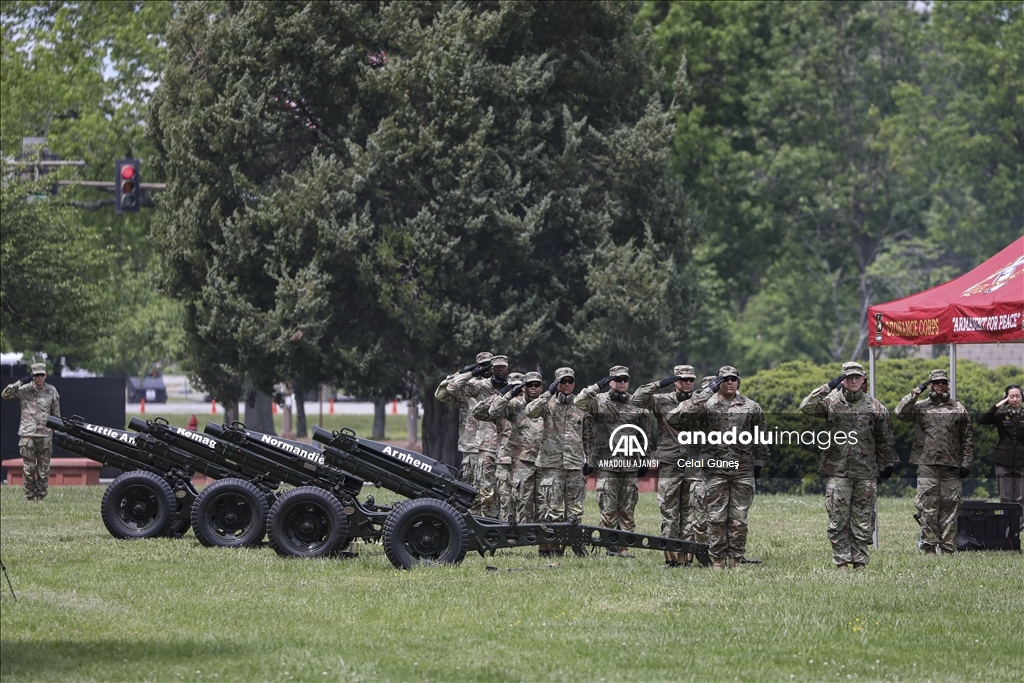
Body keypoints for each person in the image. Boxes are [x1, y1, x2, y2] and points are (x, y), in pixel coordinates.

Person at [799, 361, 897, 569]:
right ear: (843, 380)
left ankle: (860, 562)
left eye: (857, 377)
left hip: (866, 471)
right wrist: (828, 386)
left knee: (863, 519)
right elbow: (806, 406)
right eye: (848, 377)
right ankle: (842, 561)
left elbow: (885, 438)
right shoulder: (831, 402)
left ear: (863, 380)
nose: (853, 381)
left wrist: (886, 465)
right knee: (837, 518)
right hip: (838, 471)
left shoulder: (875, 406)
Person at [670, 366, 769, 569]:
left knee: (739, 519)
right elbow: (674, 418)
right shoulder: (705, 405)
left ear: (738, 382)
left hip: (742, 470)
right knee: (716, 518)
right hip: (714, 470)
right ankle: (717, 559)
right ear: (718, 383)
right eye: (724, 379)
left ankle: (735, 558)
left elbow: (761, 436)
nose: (730, 382)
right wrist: (706, 393)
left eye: (733, 379)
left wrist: (759, 463)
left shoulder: (751, 406)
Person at [632, 364, 706, 567]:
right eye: (683, 379)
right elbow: (636, 399)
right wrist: (658, 384)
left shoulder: (700, 402)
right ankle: (671, 559)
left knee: (690, 511)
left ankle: (687, 559)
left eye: (691, 379)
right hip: (669, 463)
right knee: (669, 511)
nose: (688, 383)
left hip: (693, 462)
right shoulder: (661, 401)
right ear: (675, 381)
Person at [895, 369, 974, 555]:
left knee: (951, 508)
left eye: (943, 382)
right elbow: (900, 413)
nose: (940, 386)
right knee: (927, 507)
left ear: (948, 385)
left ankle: (947, 549)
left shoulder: (958, 408)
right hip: (927, 464)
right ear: (930, 385)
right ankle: (929, 548)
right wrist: (915, 392)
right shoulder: (920, 407)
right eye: (936, 382)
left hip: (951, 464)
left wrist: (966, 463)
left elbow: (968, 438)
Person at [575, 365, 648, 557]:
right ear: (610, 381)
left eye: (625, 379)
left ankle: (623, 548)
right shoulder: (598, 401)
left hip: (630, 464)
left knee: (627, 508)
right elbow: (579, 402)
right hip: (607, 464)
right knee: (608, 509)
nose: (622, 382)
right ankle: (608, 547)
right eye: (618, 379)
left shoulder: (637, 403)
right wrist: (596, 387)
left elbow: (644, 434)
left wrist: (645, 459)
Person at [525, 367, 586, 557]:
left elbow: (590, 434)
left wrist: (590, 458)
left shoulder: (581, 405)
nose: (567, 385)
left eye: (570, 381)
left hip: (575, 464)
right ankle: (551, 548)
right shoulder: (547, 404)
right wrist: (548, 392)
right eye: (563, 382)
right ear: (557, 383)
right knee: (553, 510)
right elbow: (530, 411)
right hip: (552, 465)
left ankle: (570, 547)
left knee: (575, 511)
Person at [448, 354, 509, 518]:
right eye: (497, 367)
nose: (500, 370)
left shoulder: (512, 387)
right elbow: (452, 388)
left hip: (507, 446)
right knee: (484, 490)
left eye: (503, 367)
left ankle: (503, 525)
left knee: (505, 490)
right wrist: (471, 373)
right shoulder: (481, 386)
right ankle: (484, 523)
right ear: (491, 369)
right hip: (485, 445)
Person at [484, 371, 545, 523]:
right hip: (522, 460)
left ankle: (544, 536)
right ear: (524, 387)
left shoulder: (548, 404)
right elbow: (493, 412)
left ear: (542, 387)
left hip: (545, 459)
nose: (533, 388)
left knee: (544, 501)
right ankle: (524, 533)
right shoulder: (515, 405)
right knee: (522, 499)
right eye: (529, 385)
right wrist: (507, 394)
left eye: (536, 385)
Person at [2, 363, 61, 501]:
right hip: (28, 435)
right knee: (29, 469)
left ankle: (40, 497)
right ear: (32, 376)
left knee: (44, 470)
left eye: (41, 375)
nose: (39, 378)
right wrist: (21, 381)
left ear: (45, 375)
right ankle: (29, 496)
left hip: (45, 436)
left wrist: (57, 432)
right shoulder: (24, 390)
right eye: (36, 375)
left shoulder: (51, 391)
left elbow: (56, 415)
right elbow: (5, 394)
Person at [435, 351, 493, 487]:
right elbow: (440, 394)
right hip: (470, 443)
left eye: (489, 365)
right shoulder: (465, 386)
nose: (486, 369)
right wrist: (462, 373)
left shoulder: (497, 385)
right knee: (470, 483)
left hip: (492, 443)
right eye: (482, 365)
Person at [473, 371, 523, 521]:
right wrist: (501, 395)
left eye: (519, 389)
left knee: (521, 496)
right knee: (499, 494)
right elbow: (478, 412)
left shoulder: (530, 406)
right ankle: (493, 525)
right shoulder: (501, 407)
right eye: (514, 388)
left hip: (525, 457)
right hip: (504, 456)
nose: (517, 393)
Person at [978, 384, 1023, 506]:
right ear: (1006, 397)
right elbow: (982, 419)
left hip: (1022, 459)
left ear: (1022, 397)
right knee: (1005, 497)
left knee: (1021, 497)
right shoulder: (1001, 414)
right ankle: (1007, 524)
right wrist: (999, 404)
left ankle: (1020, 524)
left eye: (1018, 396)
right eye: (1011, 396)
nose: (1015, 399)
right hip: (1003, 459)